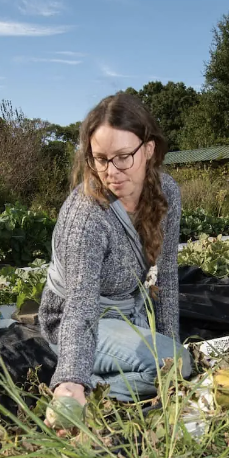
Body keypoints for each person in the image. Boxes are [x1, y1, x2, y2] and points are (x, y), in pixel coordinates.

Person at [39, 92, 192, 409]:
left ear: (148, 149)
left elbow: (166, 277)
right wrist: (71, 379)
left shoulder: (167, 193)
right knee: (174, 366)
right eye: (101, 159)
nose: (111, 171)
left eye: (123, 157)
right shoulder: (87, 215)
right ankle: (85, 391)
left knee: (175, 364)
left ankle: (110, 382)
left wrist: (170, 344)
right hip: (75, 321)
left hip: (127, 313)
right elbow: (80, 305)